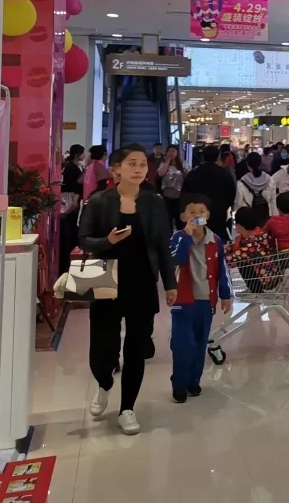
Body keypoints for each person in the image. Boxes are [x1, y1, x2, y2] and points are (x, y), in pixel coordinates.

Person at [79, 144, 178, 435]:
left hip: (142, 281)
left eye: (142, 164)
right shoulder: (99, 201)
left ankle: (127, 408)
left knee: (136, 348)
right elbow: (83, 239)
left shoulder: (154, 203)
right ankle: (104, 383)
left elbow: (162, 245)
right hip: (105, 280)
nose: (138, 169)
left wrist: (170, 283)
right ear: (116, 169)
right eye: (131, 164)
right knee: (102, 349)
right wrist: (107, 242)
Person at [168, 195, 232, 403]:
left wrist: (225, 295)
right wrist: (187, 236)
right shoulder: (177, 238)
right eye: (192, 212)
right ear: (183, 216)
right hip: (182, 301)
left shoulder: (216, 241)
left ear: (208, 215)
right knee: (183, 344)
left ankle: (193, 381)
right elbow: (175, 259)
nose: (197, 216)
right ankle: (179, 383)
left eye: (201, 212)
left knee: (200, 343)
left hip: (206, 300)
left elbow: (222, 270)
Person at [182, 145, 237, 242]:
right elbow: (231, 195)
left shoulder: (193, 174)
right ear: (218, 157)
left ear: (203, 157)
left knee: (199, 238)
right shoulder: (224, 174)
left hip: (198, 215)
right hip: (218, 214)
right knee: (216, 241)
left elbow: (185, 194)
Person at [59, 145, 86, 275]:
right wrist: (76, 197)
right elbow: (73, 185)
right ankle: (66, 262)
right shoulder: (72, 168)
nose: (84, 155)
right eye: (82, 153)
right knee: (69, 228)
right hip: (71, 201)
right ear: (78, 154)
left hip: (72, 201)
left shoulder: (72, 166)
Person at [233, 151, 274, 229]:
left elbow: (238, 203)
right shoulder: (269, 179)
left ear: (247, 165)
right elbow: (273, 201)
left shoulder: (242, 182)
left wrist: (236, 218)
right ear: (260, 163)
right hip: (265, 218)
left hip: (247, 219)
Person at [157, 144, 186, 229]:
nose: (171, 153)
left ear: (177, 153)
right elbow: (160, 174)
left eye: (173, 151)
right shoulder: (163, 163)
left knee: (180, 222)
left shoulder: (182, 164)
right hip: (166, 197)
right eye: (169, 151)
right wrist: (167, 161)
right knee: (167, 221)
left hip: (179, 198)